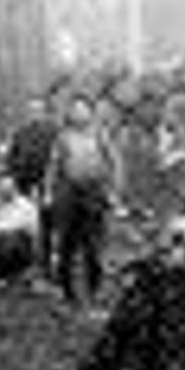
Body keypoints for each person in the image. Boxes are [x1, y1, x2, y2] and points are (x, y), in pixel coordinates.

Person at [49, 98, 118, 307]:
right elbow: (53, 166)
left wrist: (113, 192)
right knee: (66, 244)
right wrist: (48, 193)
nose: (79, 113)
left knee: (93, 245)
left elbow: (114, 162)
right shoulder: (63, 137)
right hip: (68, 192)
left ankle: (94, 291)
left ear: (90, 113)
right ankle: (67, 292)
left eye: (83, 109)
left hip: (94, 192)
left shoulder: (100, 135)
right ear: (70, 114)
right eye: (75, 110)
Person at [5, 90, 60, 281]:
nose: (34, 113)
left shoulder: (54, 131)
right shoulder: (20, 133)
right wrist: (11, 181)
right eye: (31, 110)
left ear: (45, 111)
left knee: (47, 228)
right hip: (23, 187)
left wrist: (48, 187)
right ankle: (26, 266)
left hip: (47, 188)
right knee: (24, 228)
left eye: (38, 109)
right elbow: (11, 159)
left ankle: (47, 268)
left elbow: (58, 160)